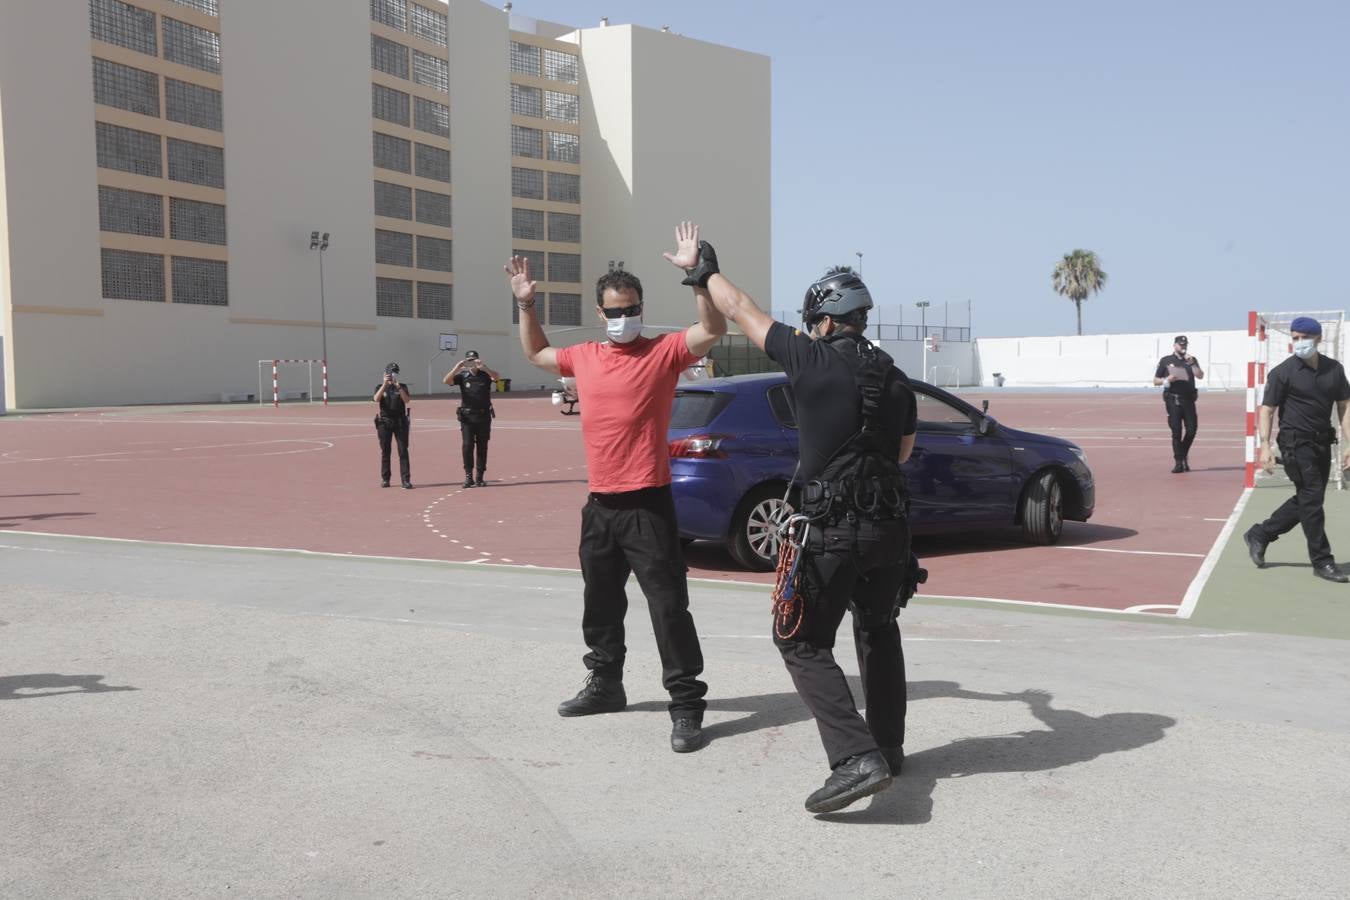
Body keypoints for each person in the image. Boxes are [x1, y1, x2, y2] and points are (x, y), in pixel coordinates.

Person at [685, 236, 919, 814]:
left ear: (820, 322)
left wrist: (703, 270)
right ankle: (887, 746)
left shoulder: (809, 357)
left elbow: (739, 308)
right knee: (879, 630)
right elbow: (905, 454)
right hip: (889, 534)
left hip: (831, 531)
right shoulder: (896, 379)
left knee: (801, 641)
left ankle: (854, 758)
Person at [504, 221, 725, 753]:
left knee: (668, 608)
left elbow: (712, 330)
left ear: (641, 307)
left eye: (631, 309)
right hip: (600, 505)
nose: (623, 319)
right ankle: (606, 685)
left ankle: (686, 704)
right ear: (600, 314)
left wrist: (698, 275)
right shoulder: (584, 356)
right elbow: (535, 355)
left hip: (648, 504)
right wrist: (526, 304)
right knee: (600, 604)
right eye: (614, 311)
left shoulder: (665, 353)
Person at [1243, 317, 1350, 583]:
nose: (1299, 342)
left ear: (1318, 338)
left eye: (1304, 337)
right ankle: (1322, 561)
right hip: (1294, 443)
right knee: (1312, 498)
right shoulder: (1282, 372)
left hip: (1322, 442)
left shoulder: (1334, 370)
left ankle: (1261, 533)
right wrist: (1265, 446)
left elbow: (1344, 406)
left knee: (1308, 498)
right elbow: (1267, 410)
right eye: (1295, 337)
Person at [444, 350, 499, 488]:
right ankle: (468, 476)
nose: (472, 363)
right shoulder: (462, 376)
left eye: (474, 360)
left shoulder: (485, 375)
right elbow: (446, 380)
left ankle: (480, 477)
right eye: (469, 360)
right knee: (467, 446)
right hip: (467, 417)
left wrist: (484, 367)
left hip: (483, 416)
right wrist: (456, 368)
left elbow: (497, 378)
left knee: (482, 446)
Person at [1153, 336, 1204, 472]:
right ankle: (1178, 462)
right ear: (1174, 345)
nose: (1183, 347)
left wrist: (1193, 363)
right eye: (1181, 345)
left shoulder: (1191, 360)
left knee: (1192, 430)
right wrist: (1167, 379)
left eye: (1185, 344)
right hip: (1173, 399)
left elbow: (1200, 375)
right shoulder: (1166, 360)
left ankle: (1183, 454)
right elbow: (1155, 380)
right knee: (1176, 431)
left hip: (1188, 399)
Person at [373, 362, 412, 489]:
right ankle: (385, 479)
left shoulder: (402, 386)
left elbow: (407, 400)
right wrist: (385, 384)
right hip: (385, 422)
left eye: (395, 372)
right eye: (391, 372)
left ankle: (405, 480)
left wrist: (398, 386)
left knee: (403, 451)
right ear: (386, 373)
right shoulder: (380, 386)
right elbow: (376, 399)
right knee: (385, 451)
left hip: (400, 422)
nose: (393, 374)